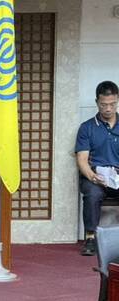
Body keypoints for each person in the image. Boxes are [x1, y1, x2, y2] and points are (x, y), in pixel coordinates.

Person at [76, 80, 119, 256]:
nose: (108, 109)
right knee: (92, 193)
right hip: (96, 176)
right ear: (97, 102)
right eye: (103, 105)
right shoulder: (87, 127)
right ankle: (90, 237)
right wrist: (92, 176)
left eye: (112, 104)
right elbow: (82, 159)